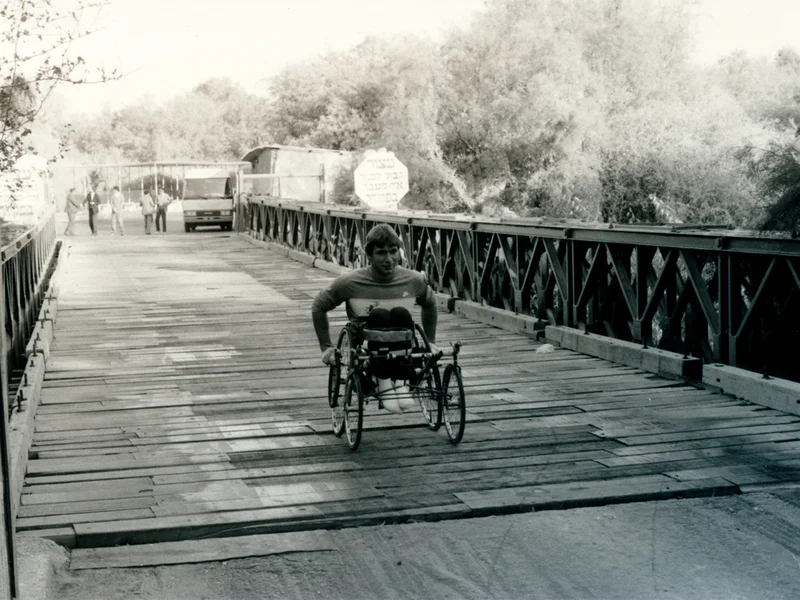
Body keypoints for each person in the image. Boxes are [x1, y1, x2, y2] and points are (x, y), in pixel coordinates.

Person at [311, 223, 439, 413]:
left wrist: (430, 341)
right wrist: (326, 347)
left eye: (393, 251)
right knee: (378, 315)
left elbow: (430, 303)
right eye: (381, 253)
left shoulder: (414, 280)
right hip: (366, 343)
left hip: (402, 341)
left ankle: (401, 382)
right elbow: (319, 307)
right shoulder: (349, 282)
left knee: (401, 313)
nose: (389, 259)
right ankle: (383, 382)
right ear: (369, 255)